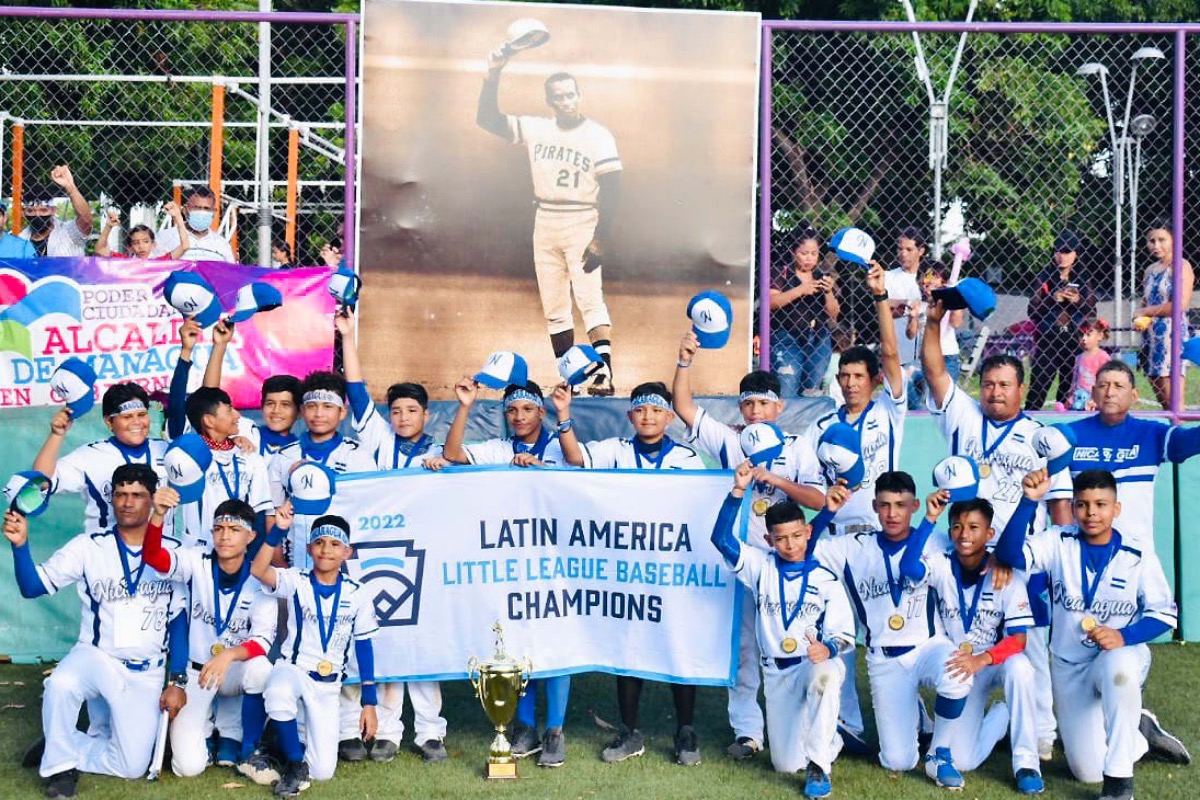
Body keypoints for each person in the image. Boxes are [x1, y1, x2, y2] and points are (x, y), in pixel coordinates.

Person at [922, 299, 1072, 761]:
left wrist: (1055, 564)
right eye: (988, 384)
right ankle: (945, 714)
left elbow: (1061, 507)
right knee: (951, 632)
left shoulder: (1042, 437)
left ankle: (1041, 736)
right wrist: (933, 319)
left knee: (1032, 648)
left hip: (1019, 556)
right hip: (964, 548)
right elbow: (933, 370)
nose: (994, 393)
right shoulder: (965, 417)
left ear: (1023, 390)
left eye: (1005, 385)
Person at [672, 350, 825, 761]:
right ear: (740, 406)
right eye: (748, 403)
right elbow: (684, 408)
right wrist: (685, 362)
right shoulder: (731, 440)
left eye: (763, 403)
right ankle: (747, 732)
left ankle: (799, 724)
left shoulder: (797, 447)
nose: (756, 411)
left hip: (787, 563)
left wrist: (774, 478)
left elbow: (817, 496)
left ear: (780, 406)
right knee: (742, 648)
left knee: (790, 643)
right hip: (744, 562)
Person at [998, 469, 1184, 800]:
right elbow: (1010, 555)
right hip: (1070, 663)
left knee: (1119, 666)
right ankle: (1140, 732)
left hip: (1119, 654)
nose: (1091, 513)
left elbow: (1164, 613)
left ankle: (1119, 783)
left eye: (1101, 504)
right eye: (1082, 505)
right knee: (1086, 770)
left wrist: (1124, 636)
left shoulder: (1137, 552)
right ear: (1072, 507)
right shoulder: (1058, 540)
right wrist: (1029, 501)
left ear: (1117, 509)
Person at [5, 464, 184, 797]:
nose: (127, 503)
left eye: (137, 496)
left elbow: (179, 620)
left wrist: (176, 681)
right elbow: (32, 587)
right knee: (60, 683)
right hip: (97, 657)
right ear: (111, 499)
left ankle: (62, 741)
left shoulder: (173, 551)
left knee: (131, 767)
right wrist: (20, 545)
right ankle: (60, 769)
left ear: (152, 502)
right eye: (120, 495)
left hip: (145, 671)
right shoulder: (88, 546)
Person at [556, 382, 706, 766]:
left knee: (678, 643)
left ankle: (685, 731)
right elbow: (574, 460)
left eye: (656, 411)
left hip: (672, 567)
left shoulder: (688, 459)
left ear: (669, 417)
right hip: (625, 570)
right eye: (640, 411)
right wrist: (563, 416)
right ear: (630, 416)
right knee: (629, 643)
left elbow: (698, 506)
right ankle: (630, 730)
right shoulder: (615, 450)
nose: (648, 417)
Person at [332, 309, 450, 763]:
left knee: (423, 641)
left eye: (411, 410)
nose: (402, 417)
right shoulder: (377, 439)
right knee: (382, 640)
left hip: (422, 557)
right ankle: (388, 730)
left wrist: (448, 470)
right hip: (377, 553)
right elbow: (357, 391)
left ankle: (430, 731)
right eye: (396, 410)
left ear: (426, 414)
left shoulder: (440, 453)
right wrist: (346, 336)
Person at [807, 471, 974, 789]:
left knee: (957, 671)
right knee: (898, 760)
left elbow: (976, 553)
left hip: (928, 645)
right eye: (884, 505)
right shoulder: (852, 547)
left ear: (913, 506)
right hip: (883, 657)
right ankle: (919, 713)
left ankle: (940, 753)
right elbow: (804, 549)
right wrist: (827, 510)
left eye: (900, 505)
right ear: (874, 506)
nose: (892, 513)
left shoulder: (936, 540)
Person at [443, 378, 573, 766]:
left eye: (527, 409)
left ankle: (555, 730)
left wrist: (542, 468)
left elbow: (579, 467)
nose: (518, 417)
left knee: (557, 640)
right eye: (512, 410)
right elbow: (453, 454)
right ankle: (525, 727)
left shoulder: (556, 444)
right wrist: (465, 406)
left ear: (541, 411)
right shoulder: (500, 447)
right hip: (511, 561)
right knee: (517, 641)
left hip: (555, 559)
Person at [477, 50, 621, 396]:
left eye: (570, 94)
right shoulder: (537, 128)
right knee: (555, 307)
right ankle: (573, 377)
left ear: (579, 95)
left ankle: (604, 374)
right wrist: (492, 74)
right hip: (545, 219)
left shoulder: (598, 135)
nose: (566, 101)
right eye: (558, 97)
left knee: (589, 299)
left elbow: (614, 189)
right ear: (550, 101)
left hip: (582, 218)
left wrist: (601, 236)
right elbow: (487, 119)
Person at [803, 262, 906, 750]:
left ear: (874, 379)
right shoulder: (823, 426)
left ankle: (912, 722)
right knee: (837, 633)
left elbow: (890, 351)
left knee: (889, 636)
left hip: (878, 536)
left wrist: (880, 296)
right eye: (843, 375)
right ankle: (848, 727)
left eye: (858, 375)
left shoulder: (891, 410)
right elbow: (805, 477)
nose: (849, 383)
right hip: (833, 542)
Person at [710, 463, 854, 798]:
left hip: (811, 663)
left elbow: (844, 633)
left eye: (795, 536)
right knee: (786, 765)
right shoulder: (760, 567)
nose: (789, 545)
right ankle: (831, 735)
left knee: (826, 676)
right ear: (768, 539)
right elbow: (720, 539)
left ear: (807, 533)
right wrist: (737, 492)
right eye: (781, 539)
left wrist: (827, 649)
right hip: (777, 672)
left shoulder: (825, 579)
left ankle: (820, 767)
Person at [902, 489, 1043, 794]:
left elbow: (1018, 639)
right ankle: (1000, 715)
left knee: (1021, 670)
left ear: (989, 532)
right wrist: (929, 519)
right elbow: (909, 568)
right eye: (957, 527)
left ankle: (1026, 763)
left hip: (992, 660)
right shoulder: (941, 563)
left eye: (974, 527)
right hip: (960, 665)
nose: (964, 534)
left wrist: (983, 659)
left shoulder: (1006, 574)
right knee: (964, 760)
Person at [141, 490, 278, 782]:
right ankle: (204, 730)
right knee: (188, 767)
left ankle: (251, 750)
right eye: (219, 529)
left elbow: (263, 640)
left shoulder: (260, 576)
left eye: (234, 530)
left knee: (264, 671)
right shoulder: (197, 560)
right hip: (198, 672)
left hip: (235, 669)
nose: (224, 536)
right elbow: (154, 557)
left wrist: (228, 655)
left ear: (251, 537)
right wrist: (158, 515)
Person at [251, 509, 380, 797]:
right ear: (309, 549)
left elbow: (364, 645)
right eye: (319, 543)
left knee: (323, 771)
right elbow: (259, 571)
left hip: (328, 684)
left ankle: (279, 742)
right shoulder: (296, 580)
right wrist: (276, 533)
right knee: (278, 690)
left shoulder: (357, 593)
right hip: (295, 668)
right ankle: (294, 764)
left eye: (335, 545)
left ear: (347, 552)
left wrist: (369, 703)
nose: (326, 550)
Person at [1051, 359, 1200, 553]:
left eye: (1119, 386)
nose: (1110, 393)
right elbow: (1058, 503)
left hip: (1137, 555)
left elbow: (1190, 442)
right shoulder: (1070, 436)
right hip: (1083, 555)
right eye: (1103, 386)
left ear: (1134, 395)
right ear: (1094, 393)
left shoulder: (1152, 434)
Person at [267, 371, 376, 570]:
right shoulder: (283, 457)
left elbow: (368, 511)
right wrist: (279, 564)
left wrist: (316, 472)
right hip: (294, 563)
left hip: (343, 566)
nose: (318, 414)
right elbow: (271, 514)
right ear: (301, 410)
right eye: (311, 406)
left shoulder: (358, 456)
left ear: (342, 411)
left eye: (327, 406)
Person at [32, 382, 171, 536]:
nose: (136, 422)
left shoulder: (168, 451)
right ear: (109, 421)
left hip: (162, 552)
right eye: (127, 417)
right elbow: (42, 482)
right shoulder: (90, 456)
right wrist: (56, 435)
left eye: (141, 415)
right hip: (106, 553)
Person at [1024, 230, 1097, 411]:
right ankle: (1030, 419)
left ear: (1075, 254)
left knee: (1069, 389)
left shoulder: (1083, 277)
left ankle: (1065, 425)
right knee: (1039, 386)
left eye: (1067, 252)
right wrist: (1051, 299)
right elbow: (1032, 311)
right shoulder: (1044, 276)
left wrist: (1077, 301)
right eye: (1059, 251)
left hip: (1074, 338)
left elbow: (1092, 311)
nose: (1062, 256)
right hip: (1048, 338)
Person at [770, 227, 841, 398]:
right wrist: (800, 290)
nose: (809, 258)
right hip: (787, 337)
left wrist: (829, 292)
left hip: (818, 338)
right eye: (804, 253)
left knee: (811, 390)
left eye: (814, 253)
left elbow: (834, 313)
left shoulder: (822, 276)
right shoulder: (782, 273)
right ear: (793, 252)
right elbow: (771, 302)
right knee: (787, 387)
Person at [1135, 220, 1194, 409]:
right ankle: (1171, 434)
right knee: (1162, 400)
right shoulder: (1150, 270)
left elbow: (1180, 305)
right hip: (1151, 337)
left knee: (1174, 401)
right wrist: (1140, 317)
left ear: (1174, 240)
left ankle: (1179, 434)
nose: (1156, 245)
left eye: (1162, 240)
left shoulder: (1181, 266)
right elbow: (1146, 301)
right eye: (1152, 240)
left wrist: (1145, 311)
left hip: (1171, 337)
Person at [905, 263, 962, 410]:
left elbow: (956, 323)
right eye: (924, 277)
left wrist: (955, 300)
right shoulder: (918, 303)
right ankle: (919, 412)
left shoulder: (949, 302)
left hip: (947, 357)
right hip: (925, 359)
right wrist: (913, 317)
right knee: (906, 384)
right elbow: (911, 334)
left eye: (933, 276)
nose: (927, 281)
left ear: (943, 281)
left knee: (941, 401)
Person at [19, 166, 93, 257]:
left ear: (53, 210)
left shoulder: (67, 232)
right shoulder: (20, 240)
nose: (37, 215)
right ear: (23, 212)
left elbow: (86, 220)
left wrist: (70, 187)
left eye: (43, 210)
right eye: (31, 211)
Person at [884, 227, 930, 369]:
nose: (903, 254)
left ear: (921, 251)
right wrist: (906, 303)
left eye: (909, 250)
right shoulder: (890, 276)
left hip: (927, 347)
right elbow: (884, 306)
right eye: (900, 249)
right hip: (899, 349)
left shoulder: (929, 277)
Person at [153, 185, 236, 263]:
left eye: (206, 208)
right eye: (196, 208)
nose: (202, 212)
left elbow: (230, 273)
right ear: (185, 210)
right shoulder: (164, 238)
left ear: (214, 212)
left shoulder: (222, 244)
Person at [95, 203, 190, 260]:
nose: (141, 246)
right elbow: (100, 250)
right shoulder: (124, 261)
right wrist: (108, 227)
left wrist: (178, 216)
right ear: (129, 247)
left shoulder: (160, 262)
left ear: (153, 244)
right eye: (136, 243)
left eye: (146, 241)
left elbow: (185, 246)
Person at [1062, 318, 1112, 412]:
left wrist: (1098, 400)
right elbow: (1075, 381)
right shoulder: (1079, 357)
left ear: (1100, 336)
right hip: (1079, 398)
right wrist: (1070, 397)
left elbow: (1107, 381)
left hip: (1094, 400)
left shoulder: (1103, 357)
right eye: (1081, 335)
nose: (1084, 339)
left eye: (1088, 335)